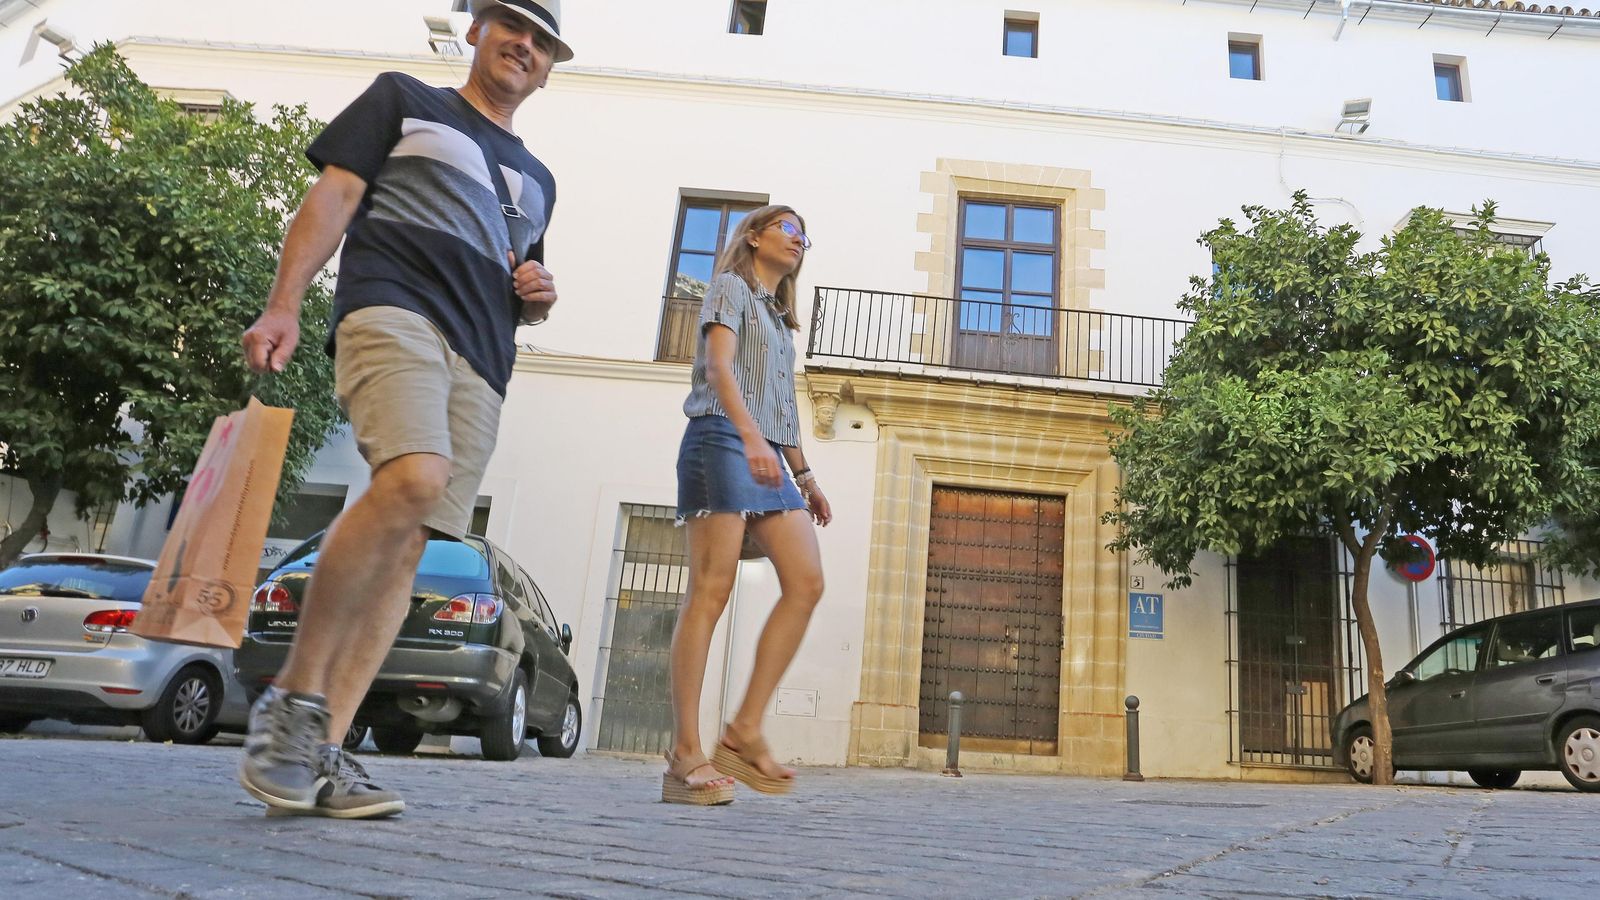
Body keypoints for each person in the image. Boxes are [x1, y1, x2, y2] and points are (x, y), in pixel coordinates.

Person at [236, 0, 572, 819]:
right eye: (511, 26)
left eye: (541, 40)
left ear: (552, 63)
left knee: (410, 542)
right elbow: (334, 196)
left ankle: (322, 753)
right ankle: (291, 705)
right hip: (393, 308)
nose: (523, 45)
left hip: (484, 358)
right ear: (477, 31)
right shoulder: (403, 100)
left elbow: (516, 271)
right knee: (415, 477)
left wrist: (536, 294)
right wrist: (286, 302)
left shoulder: (539, 179)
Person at [664, 205, 833, 805]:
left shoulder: (779, 319)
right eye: (789, 228)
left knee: (806, 581)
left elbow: (782, 405)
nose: (799, 240)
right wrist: (752, 438)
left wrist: (805, 476)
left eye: (804, 236)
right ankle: (685, 754)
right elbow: (719, 368)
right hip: (720, 436)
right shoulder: (728, 288)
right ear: (755, 235)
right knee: (710, 591)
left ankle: (742, 729)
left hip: (765, 452)